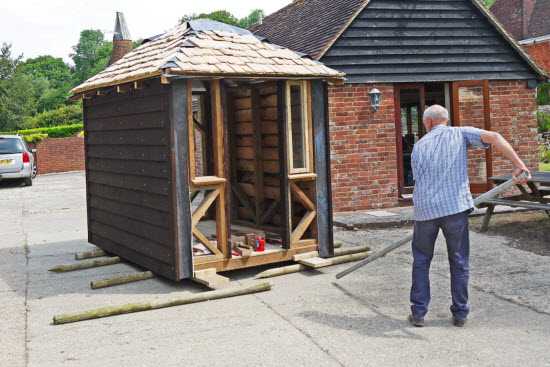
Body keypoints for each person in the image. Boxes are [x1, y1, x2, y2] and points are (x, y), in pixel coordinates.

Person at [408, 105, 530, 328]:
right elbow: (494, 137)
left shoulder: (419, 146)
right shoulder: (459, 133)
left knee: (421, 261)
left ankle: (418, 313)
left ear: (428, 123)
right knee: (459, 261)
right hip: (454, 209)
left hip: (425, 211)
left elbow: (419, 178)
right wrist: (519, 165)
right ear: (445, 119)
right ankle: (460, 314)